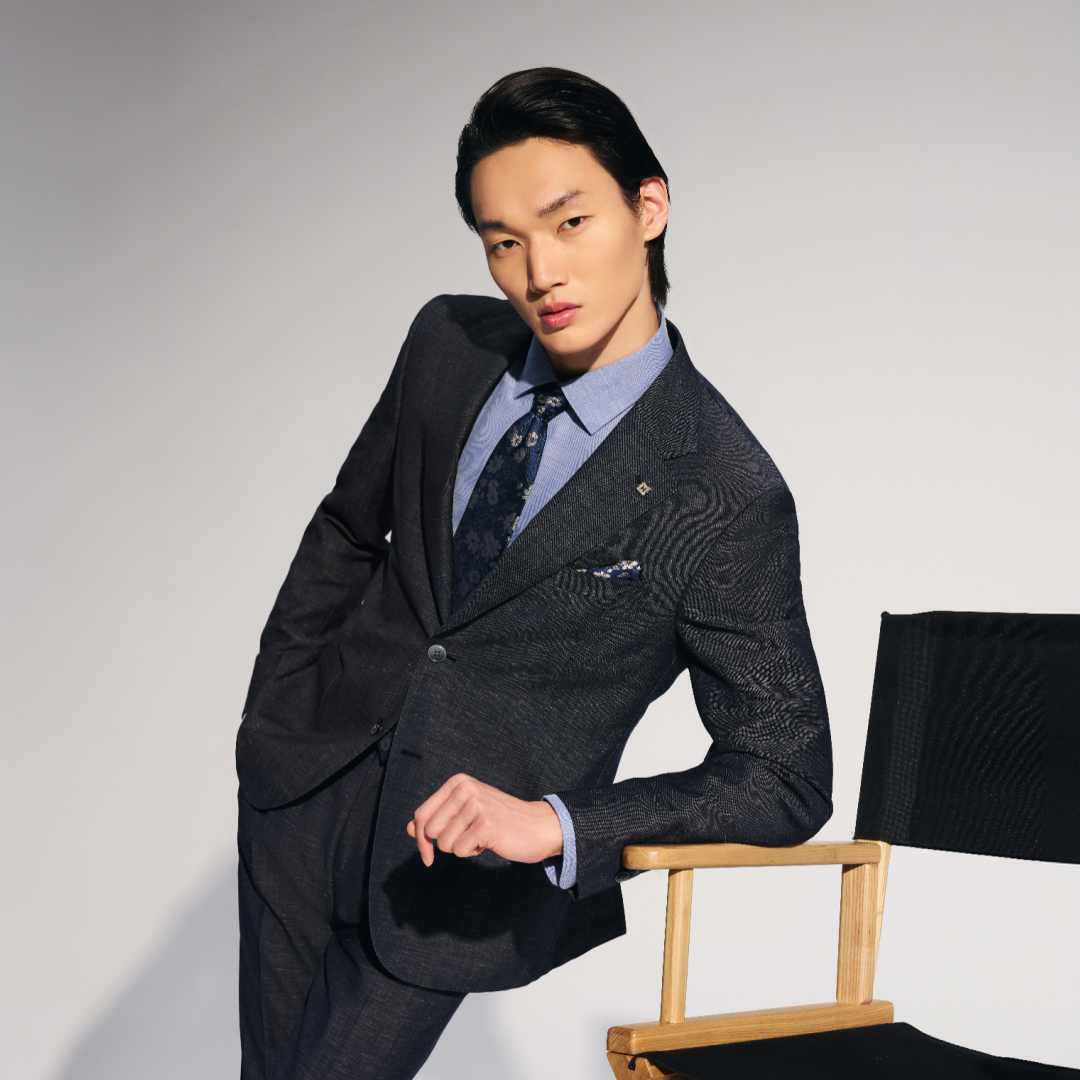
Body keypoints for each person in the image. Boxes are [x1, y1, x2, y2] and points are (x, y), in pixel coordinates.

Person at [236, 67, 833, 1080]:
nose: (538, 271)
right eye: (502, 241)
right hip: (300, 795)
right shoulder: (446, 344)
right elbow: (347, 526)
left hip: (448, 877)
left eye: (569, 223)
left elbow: (784, 774)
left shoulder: (722, 490)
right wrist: (276, 708)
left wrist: (556, 824)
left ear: (649, 207)